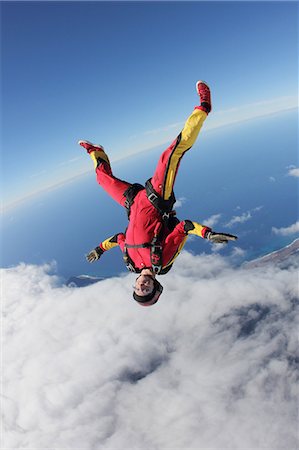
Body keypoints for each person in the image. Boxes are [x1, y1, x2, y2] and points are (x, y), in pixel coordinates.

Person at [79, 81, 237, 307]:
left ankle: (96, 151)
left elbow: (119, 239)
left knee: (102, 180)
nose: (141, 287)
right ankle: (203, 108)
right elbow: (184, 227)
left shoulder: (130, 263)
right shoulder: (162, 261)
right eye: (147, 290)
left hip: (132, 202)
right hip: (156, 200)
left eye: (137, 289)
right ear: (156, 286)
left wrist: (99, 249)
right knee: (171, 154)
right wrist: (208, 234)